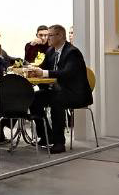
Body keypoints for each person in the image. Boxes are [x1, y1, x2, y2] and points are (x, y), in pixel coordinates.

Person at [30, 24, 91, 153]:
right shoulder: (51, 51)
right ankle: (46, 136)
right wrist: (33, 70)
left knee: (57, 100)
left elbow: (67, 73)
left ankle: (59, 142)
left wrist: (43, 73)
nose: (48, 38)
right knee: (33, 98)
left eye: (50, 35)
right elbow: (43, 68)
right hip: (56, 91)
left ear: (60, 36)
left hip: (74, 93)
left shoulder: (72, 52)